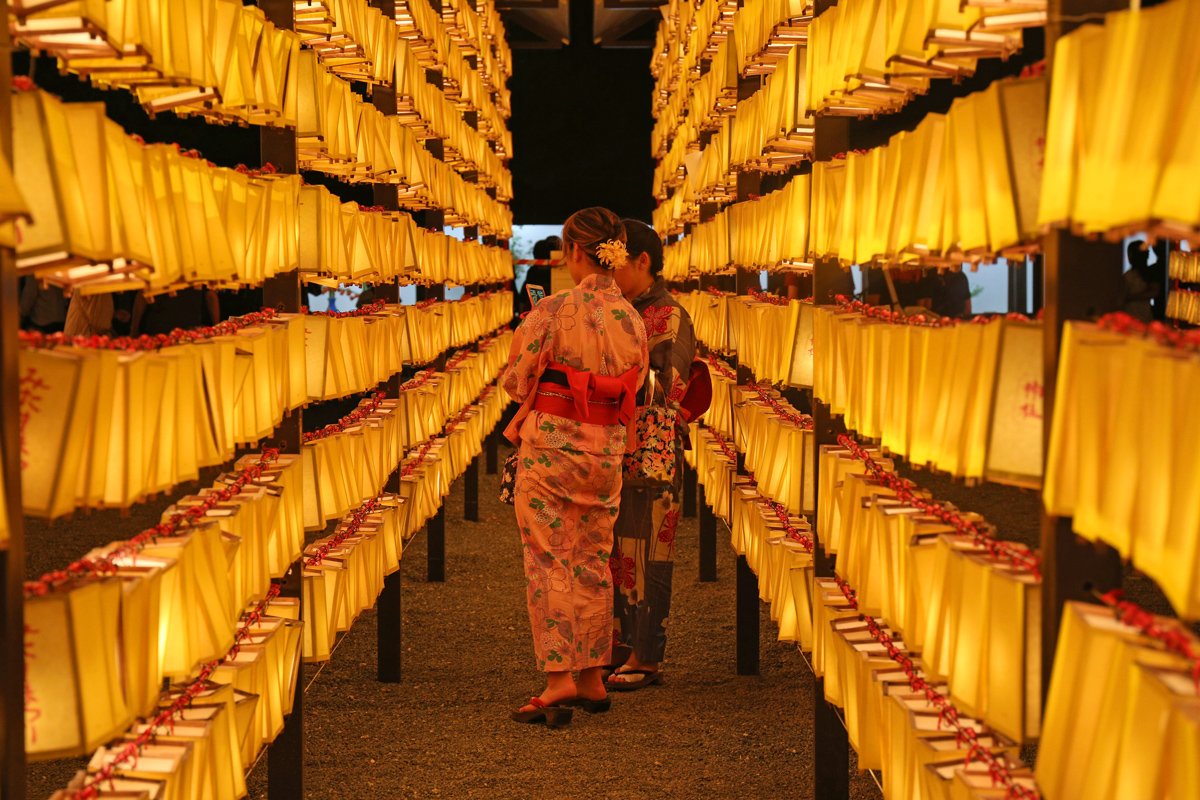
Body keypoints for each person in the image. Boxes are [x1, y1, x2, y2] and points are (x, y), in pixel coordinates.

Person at [499, 207, 649, 727]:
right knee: (591, 558)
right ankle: (592, 677)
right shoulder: (632, 317)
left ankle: (559, 679)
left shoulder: (554, 310)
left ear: (576, 252)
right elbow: (639, 383)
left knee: (549, 561)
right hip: (606, 450)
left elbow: (518, 381)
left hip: (553, 452)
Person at [605, 219, 697, 691]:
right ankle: (619, 645)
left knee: (649, 552)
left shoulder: (669, 315)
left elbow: (670, 385)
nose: (610, 272)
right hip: (611, 442)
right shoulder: (614, 308)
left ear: (643, 262)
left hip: (651, 444)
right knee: (614, 550)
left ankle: (646, 656)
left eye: (616, 263)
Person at [1123, 241, 1160, 323]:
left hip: (1142, 315)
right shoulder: (1128, 275)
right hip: (1131, 314)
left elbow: (1154, 292)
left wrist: (1130, 297)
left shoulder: (1150, 273)